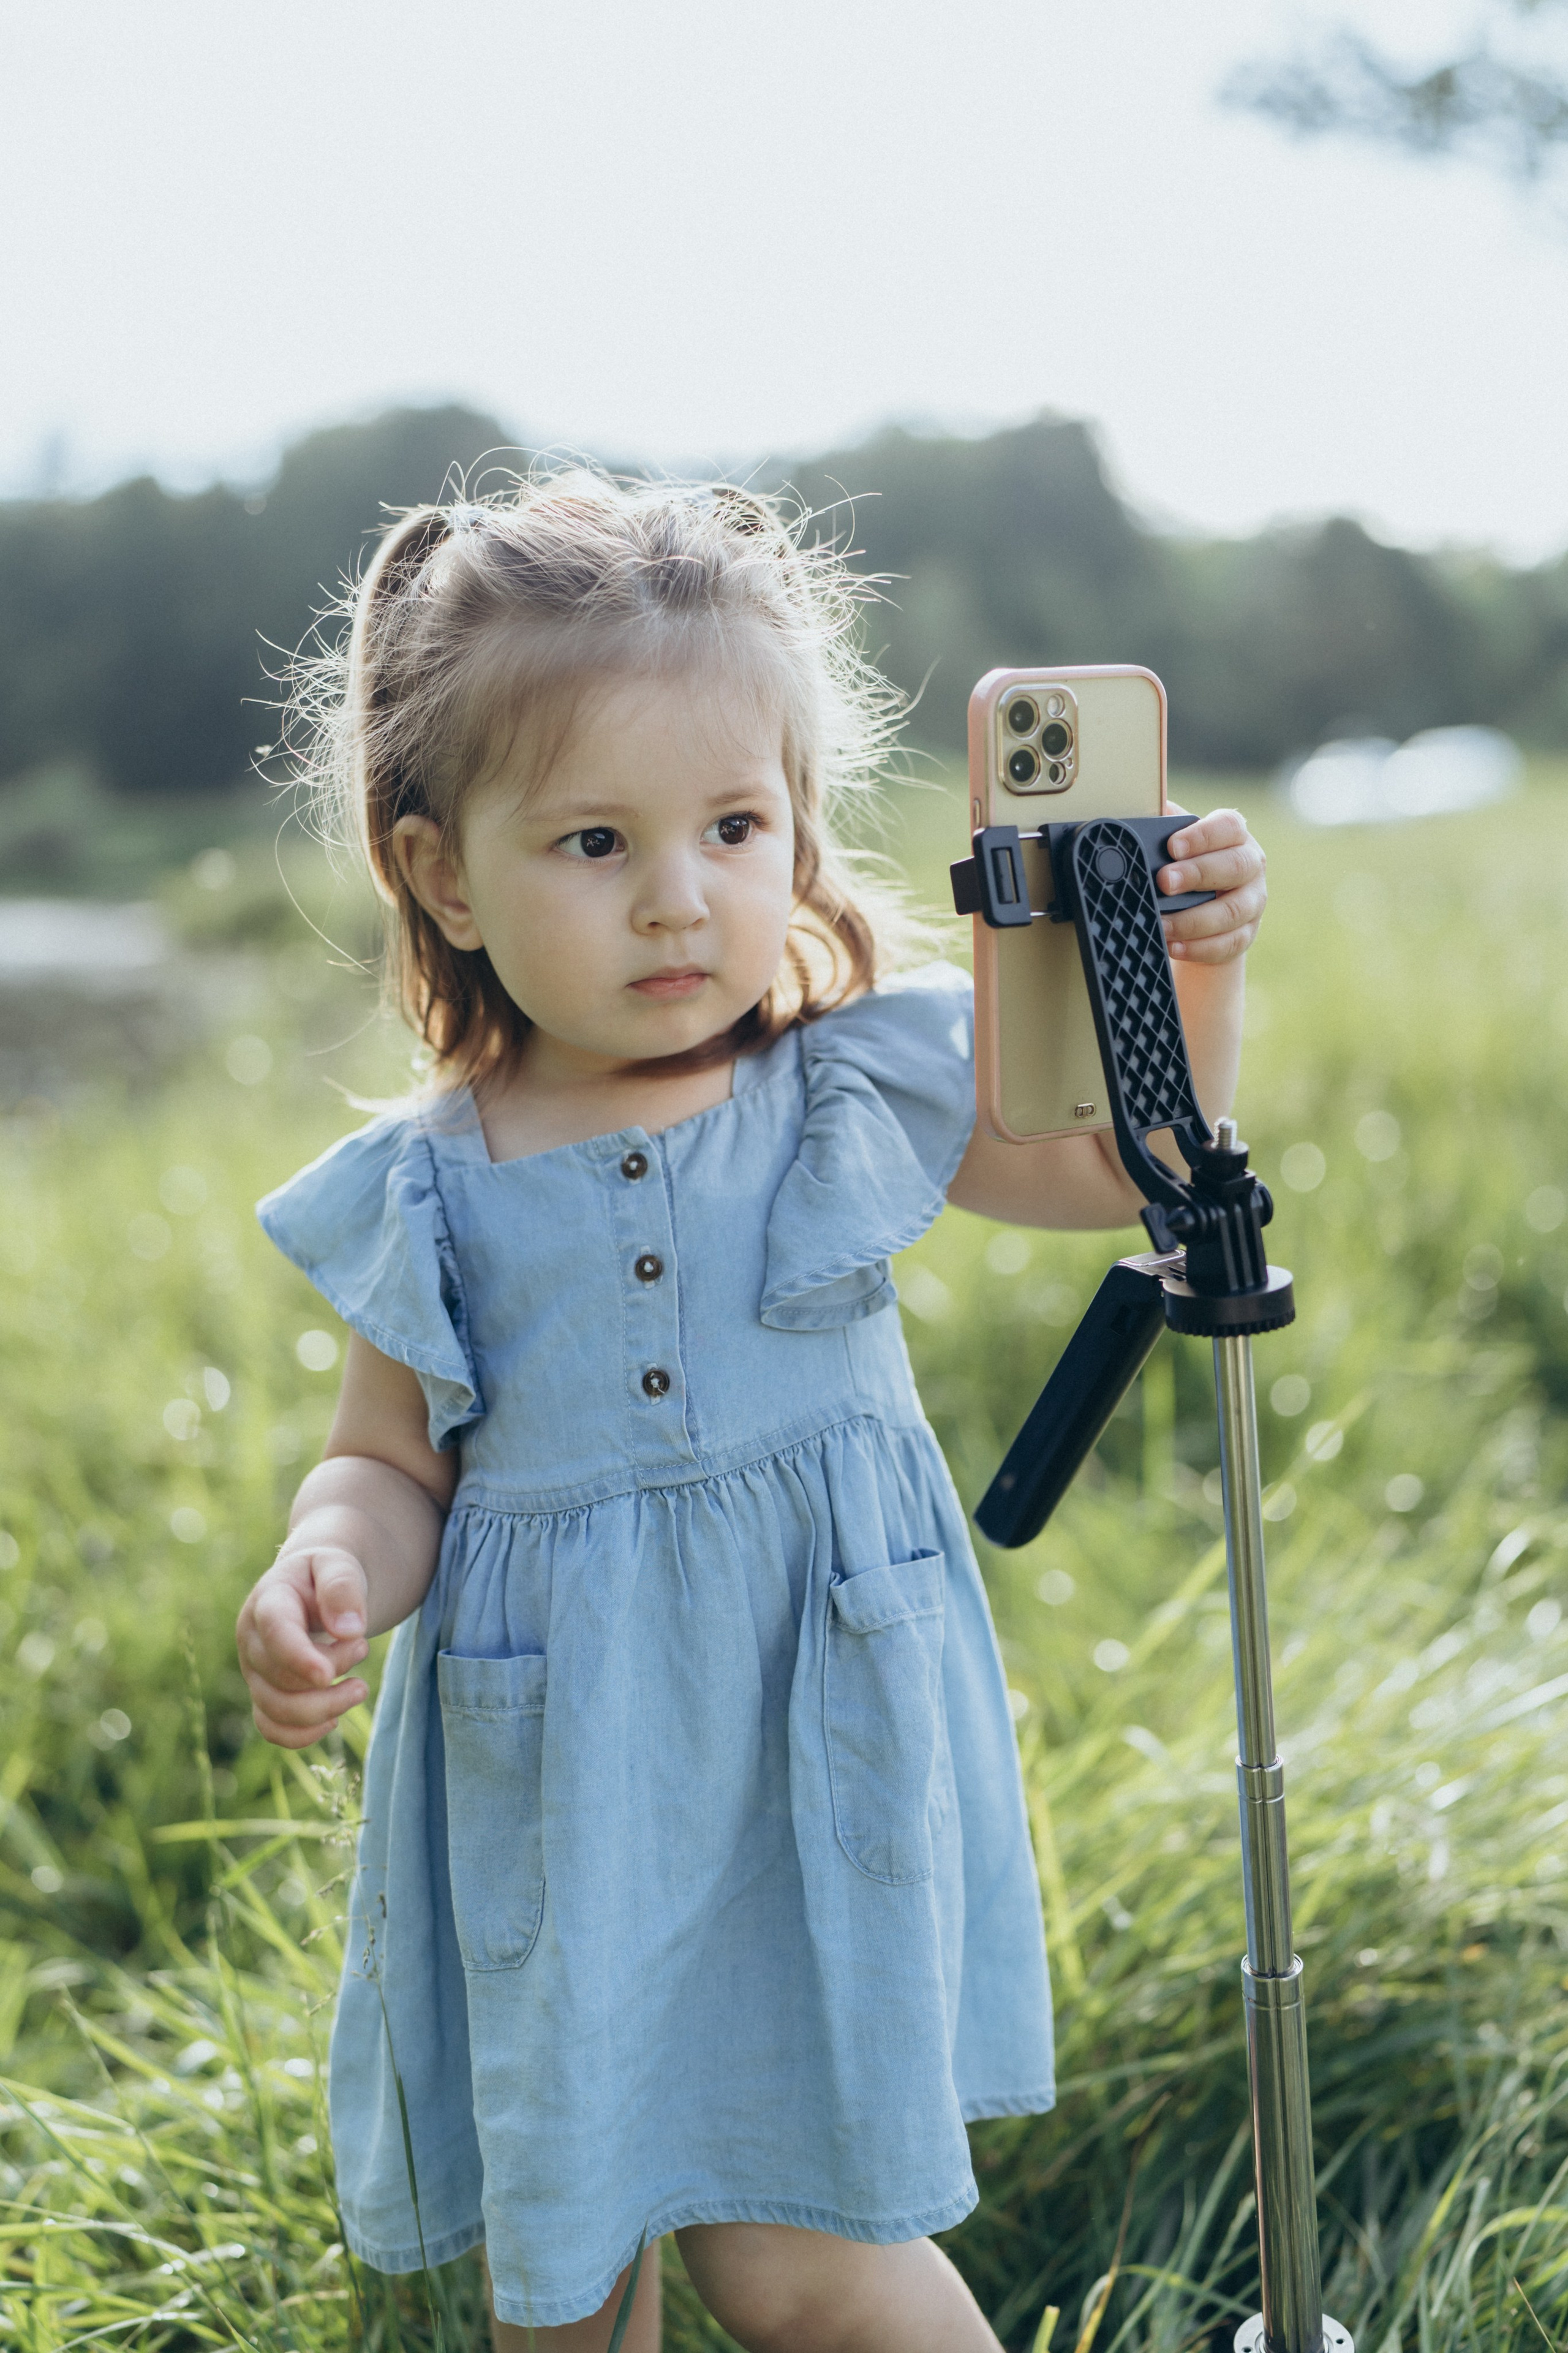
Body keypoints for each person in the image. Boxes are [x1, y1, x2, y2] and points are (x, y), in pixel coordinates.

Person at [235, 472, 1267, 2353]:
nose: (678, 894)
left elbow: (1141, 1168)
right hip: (565, 1785)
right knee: (568, 2265)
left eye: (732, 824)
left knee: (803, 2250)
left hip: (815, 1754)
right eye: (595, 841)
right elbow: (387, 1464)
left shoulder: (845, 1087)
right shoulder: (435, 1186)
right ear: (445, 873)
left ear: (799, 833)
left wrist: (1187, 970)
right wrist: (327, 1562)